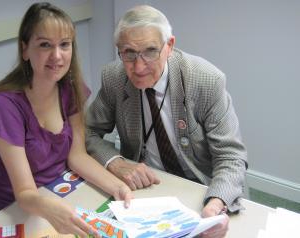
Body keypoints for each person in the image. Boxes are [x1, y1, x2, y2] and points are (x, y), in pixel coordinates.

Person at [86, 5, 247, 238]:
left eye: (150, 51)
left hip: (201, 189)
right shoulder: (114, 77)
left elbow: (231, 156)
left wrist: (216, 202)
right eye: (129, 53)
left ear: (169, 46)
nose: (138, 67)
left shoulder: (206, 80)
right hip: (146, 188)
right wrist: (115, 161)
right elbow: (88, 131)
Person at [0, 2, 132, 237]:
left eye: (64, 44)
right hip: (11, 209)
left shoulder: (71, 89)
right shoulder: (5, 106)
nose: (56, 55)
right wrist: (54, 210)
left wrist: (118, 186)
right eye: (45, 45)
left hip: (59, 191)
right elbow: (25, 193)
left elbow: (77, 155)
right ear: (25, 50)